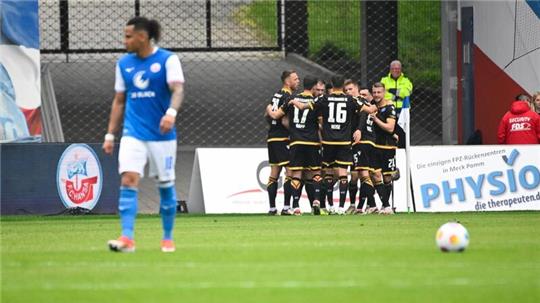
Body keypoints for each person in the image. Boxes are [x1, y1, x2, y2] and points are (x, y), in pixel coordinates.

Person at [103, 17, 185, 253]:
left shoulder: (168, 59)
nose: (124, 40)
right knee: (128, 178)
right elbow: (119, 100)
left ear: (142, 36)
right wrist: (110, 134)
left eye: (128, 36)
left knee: (165, 184)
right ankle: (127, 238)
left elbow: (178, 89)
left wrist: (171, 113)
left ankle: (167, 238)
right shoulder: (123, 64)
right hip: (133, 133)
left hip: (162, 135)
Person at [291, 75, 376, 215]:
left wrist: (294, 101)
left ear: (331, 84)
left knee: (328, 173)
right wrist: (372, 107)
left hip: (328, 141)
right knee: (343, 174)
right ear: (343, 85)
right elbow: (370, 110)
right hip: (343, 141)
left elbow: (302, 106)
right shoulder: (351, 99)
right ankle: (342, 207)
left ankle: (330, 205)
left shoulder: (324, 99)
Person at [267, 76, 323, 216]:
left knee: (296, 173)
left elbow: (279, 118)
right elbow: (321, 124)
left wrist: (294, 129)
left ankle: (295, 206)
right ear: (314, 86)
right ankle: (316, 201)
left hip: (296, 141)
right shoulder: (316, 101)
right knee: (315, 172)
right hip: (312, 141)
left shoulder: (291, 99)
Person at [264, 70, 299, 215]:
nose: (298, 81)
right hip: (283, 138)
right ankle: (286, 207)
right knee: (290, 171)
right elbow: (285, 120)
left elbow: (267, 115)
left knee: (274, 173)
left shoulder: (276, 94)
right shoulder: (288, 97)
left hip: (272, 137)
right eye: (295, 79)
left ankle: (272, 208)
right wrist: (295, 132)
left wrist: (273, 123)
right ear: (287, 81)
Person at [370, 82, 398, 215]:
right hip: (374, 146)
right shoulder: (371, 105)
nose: (376, 95)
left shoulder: (389, 107)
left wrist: (375, 119)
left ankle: (385, 207)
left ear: (384, 92)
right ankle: (386, 205)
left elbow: (390, 127)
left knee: (387, 178)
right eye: (374, 92)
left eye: (378, 92)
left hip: (387, 146)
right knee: (375, 175)